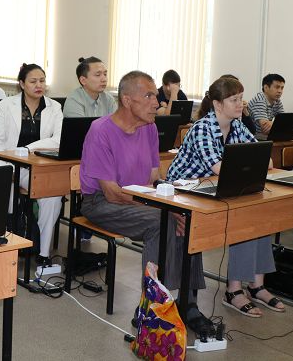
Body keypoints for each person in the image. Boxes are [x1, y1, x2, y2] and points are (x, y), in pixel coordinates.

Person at [79, 71, 210, 332]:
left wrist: (175, 205)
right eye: (149, 96)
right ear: (127, 100)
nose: (156, 102)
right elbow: (112, 193)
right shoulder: (101, 131)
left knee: (187, 217)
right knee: (161, 222)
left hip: (141, 198)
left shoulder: (149, 128)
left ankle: (188, 303)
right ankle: (151, 307)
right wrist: (163, 209)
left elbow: (153, 178)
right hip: (101, 202)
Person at [167, 76, 284, 318]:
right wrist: (250, 166)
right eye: (234, 100)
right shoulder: (202, 128)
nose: (241, 104)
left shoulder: (237, 126)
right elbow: (220, 168)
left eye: (241, 98)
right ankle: (233, 290)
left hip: (215, 188)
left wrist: (251, 165)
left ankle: (257, 285)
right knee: (244, 216)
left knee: (260, 213)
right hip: (183, 193)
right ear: (218, 104)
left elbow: (267, 161)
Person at [0, 63, 63, 265]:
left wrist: (27, 148)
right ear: (22, 83)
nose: (39, 85)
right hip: (6, 164)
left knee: (53, 196)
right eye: (33, 81)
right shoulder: (6, 104)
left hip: (37, 168)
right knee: (6, 195)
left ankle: (43, 252)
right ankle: (4, 243)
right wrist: (5, 169)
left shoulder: (54, 107)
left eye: (42, 81)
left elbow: (58, 140)